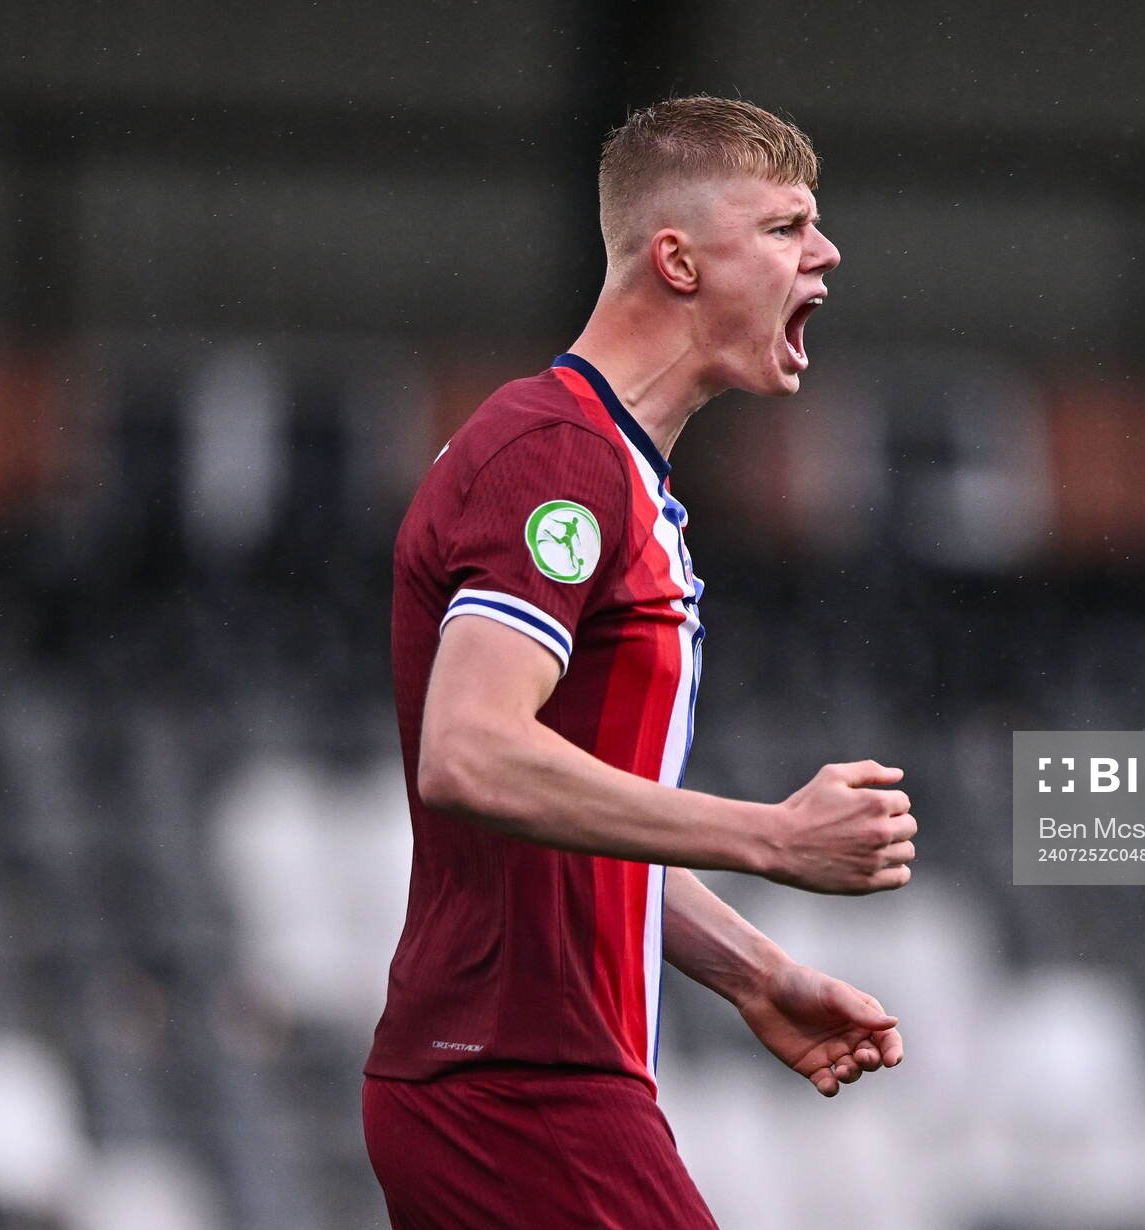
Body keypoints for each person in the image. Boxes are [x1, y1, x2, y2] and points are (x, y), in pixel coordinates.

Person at [361, 97, 919, 1228]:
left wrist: (751, 969)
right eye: (784, 228)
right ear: (677, 260)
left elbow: (559, 821)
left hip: (524, 1078)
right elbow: (470, 754)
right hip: (517, 1088)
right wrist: (769, 836)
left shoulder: (604, 463)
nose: (825, 253)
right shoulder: (558, 456)